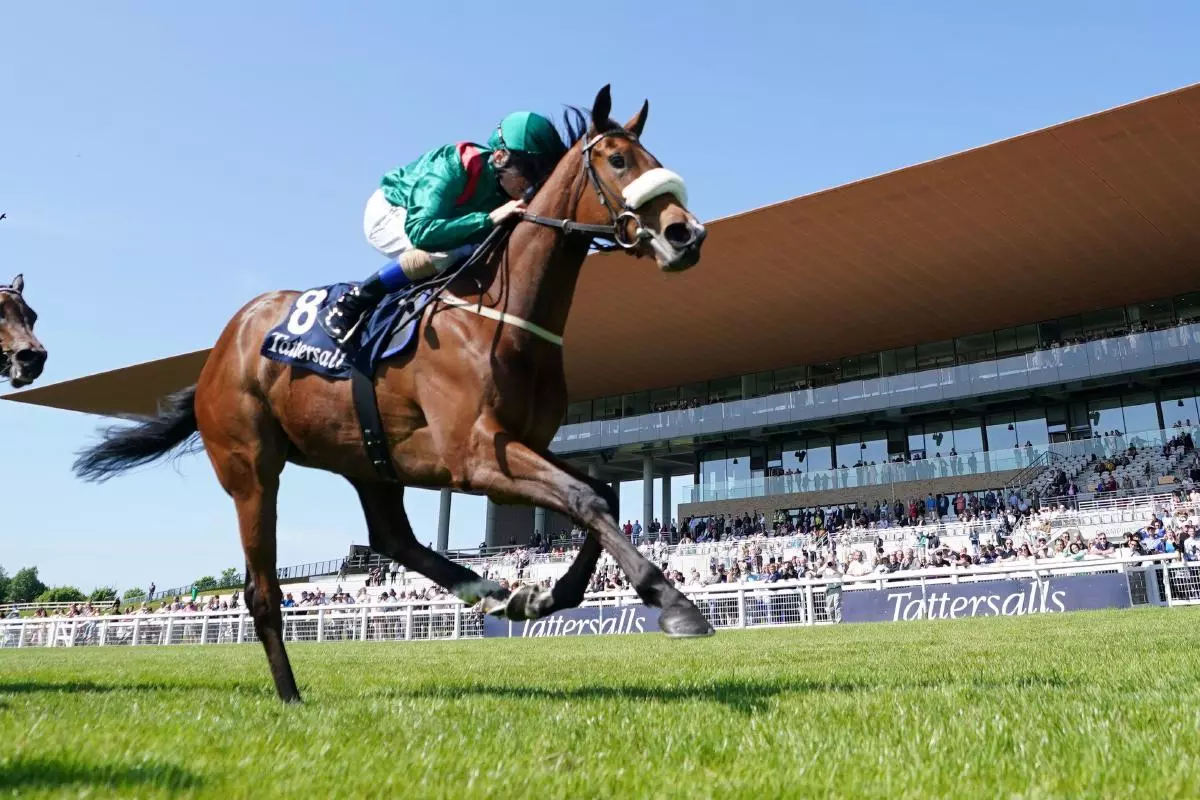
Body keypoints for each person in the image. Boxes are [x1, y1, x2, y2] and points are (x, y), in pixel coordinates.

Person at [322, 111, 568, 344]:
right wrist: (488, 220)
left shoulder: (505, 188)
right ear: (500, 157)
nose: (531, 186)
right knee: (450, 251)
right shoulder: (454, 165)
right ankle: (352, 303)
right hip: (391, 212)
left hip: (437, 223)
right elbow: (421, 232)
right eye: (530, 172)